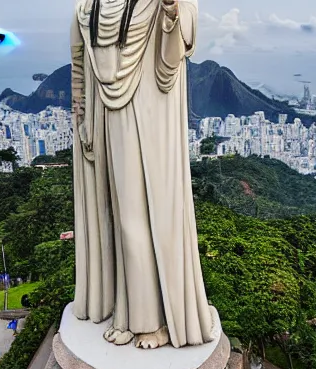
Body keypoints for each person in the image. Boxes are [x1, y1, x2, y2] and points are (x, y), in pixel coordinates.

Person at [70, 0, 219, 348]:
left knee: (142, 220)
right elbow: (79, 69)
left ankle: (152, 322)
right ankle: (126, 310)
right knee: (117, 219)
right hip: (104, 123)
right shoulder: (85, 8)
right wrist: (81, 119)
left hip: (149, 122)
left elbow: (170, 64)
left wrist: (171, 12)